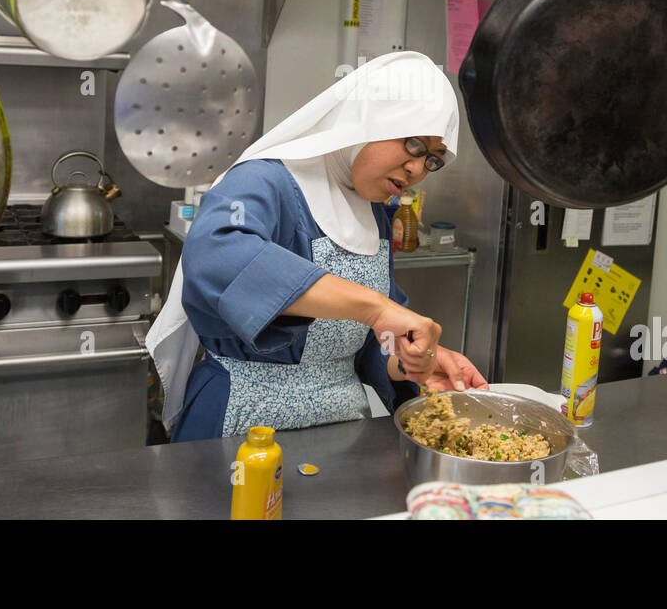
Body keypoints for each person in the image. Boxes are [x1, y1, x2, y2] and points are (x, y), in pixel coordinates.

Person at [147, 52, 488, 442]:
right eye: (413, 144)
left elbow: (366, 343)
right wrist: (376, 309)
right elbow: (217, 253)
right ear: (368, 118)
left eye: (433, 160)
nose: (417, 170)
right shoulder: (263, 181)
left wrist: (410, 362)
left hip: (341, 433)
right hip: (243, 424)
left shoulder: (374, 211)